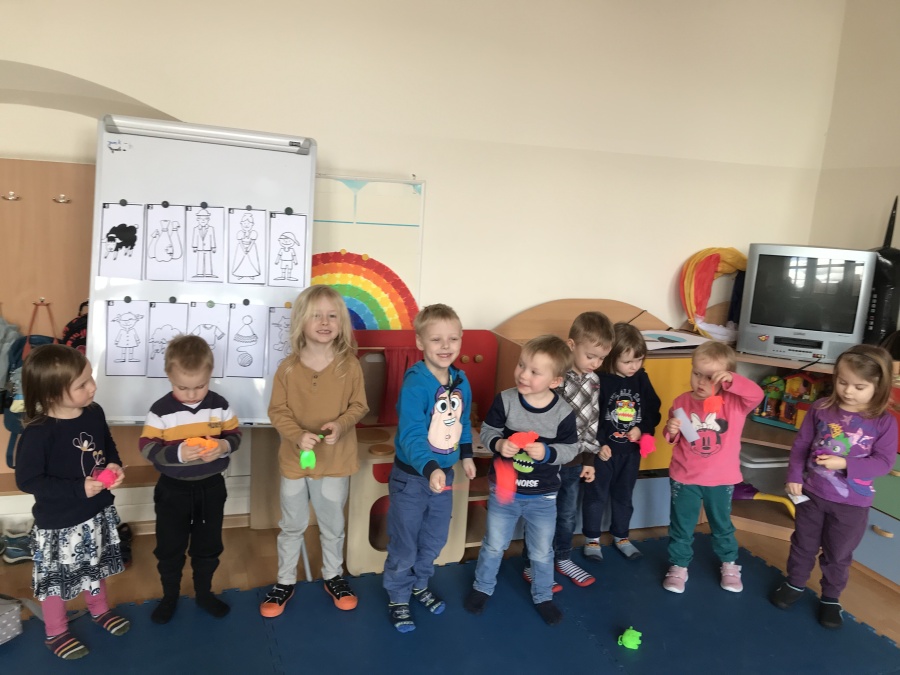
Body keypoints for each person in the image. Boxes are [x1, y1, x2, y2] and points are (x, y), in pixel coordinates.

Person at [770, 345, 897, 629]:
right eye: (842, 382)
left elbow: (883, 463)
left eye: (859, 387)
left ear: (879, 386)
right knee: (803, 544)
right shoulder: (821, 408)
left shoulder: (884, 422)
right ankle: (795, 583)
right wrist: (794, 476)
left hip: (852, 505)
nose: (848, 391)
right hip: (812, 495)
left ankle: (831, 597)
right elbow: (801, 445)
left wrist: (844, 464)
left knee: (838, 554)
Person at [261, 286, 369, 617]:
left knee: (332, 526)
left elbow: (359, 406)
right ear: (301, 322)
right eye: (316, 315)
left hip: (335, 463)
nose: (325, 322)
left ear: (341, 322)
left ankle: (333, 576)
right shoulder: (287, 368)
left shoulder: (350, 366)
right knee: (292, 525)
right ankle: (284, 581)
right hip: (295, 464)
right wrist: (297, 435)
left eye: (332, 315)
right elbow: (277, 411)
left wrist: (341, 425)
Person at [15, 345, 129, 660]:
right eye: (82, 384)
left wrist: (114, 465)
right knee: (57, 581)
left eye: (90, 377)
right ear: (52, 394)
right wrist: (79, 488)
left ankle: (99, 609)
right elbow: (28, 481)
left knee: (96, 565)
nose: (93, 386)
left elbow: (107, 444)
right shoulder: (38, 433)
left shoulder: (94, 412)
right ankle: (56, 632)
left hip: (96, 513)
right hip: (60, 524)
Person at [465, 335, 579, 626]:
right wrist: (499, 444)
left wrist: (548, 452)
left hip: (543, 497)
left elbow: (571, 449)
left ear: (555, 381)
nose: (523, 375)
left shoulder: (563, 412)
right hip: (505, 492)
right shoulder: (506, 400)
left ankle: (543, 595)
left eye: (534, 371)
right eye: (521, 365)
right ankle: (482, 587)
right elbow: (487, 431)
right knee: (494, 545)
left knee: (541, 551)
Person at [383, 303, 476, 633]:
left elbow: (463, 421)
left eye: (453, 339)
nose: (446, 346)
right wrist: (431, 468)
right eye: (436, 339)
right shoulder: (416, 385)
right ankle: (398, 596)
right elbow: (411, 435)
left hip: (443, 476)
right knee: (405, 542)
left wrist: (466, 456)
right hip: (412, 479)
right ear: (420, 342)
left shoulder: (461, 380)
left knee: (435, 538)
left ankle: (419, 584)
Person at [139, 335, 242, 624]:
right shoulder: (161, 410)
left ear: (209, 375)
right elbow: (147, 447)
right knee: (169, 547)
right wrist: (178, 453)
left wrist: (223, 446)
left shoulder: (219, 405)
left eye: (200, 386)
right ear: (169, 377)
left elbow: (234, 435)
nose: (192, 394)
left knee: (208, 546)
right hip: (173, 491)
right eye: (182, 388)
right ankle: (170, 596)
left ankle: (204, 593)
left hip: (211, 487)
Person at [662, 341, 763, 594]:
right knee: (681, 525)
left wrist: (732, 381)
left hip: (720, 479)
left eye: (710, 377)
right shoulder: (681, 401)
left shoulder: (735, 403)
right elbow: (678, 437)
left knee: (721, 525)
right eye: (697, 373)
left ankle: (729, 564)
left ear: (724, 378)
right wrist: (671, 430)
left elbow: (756, 395)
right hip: (684, 476)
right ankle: (678, 565)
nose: (701, 381)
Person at [522, 311, 613, 590]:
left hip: (574, 463)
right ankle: (533, 563)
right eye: (591, 356)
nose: (595, 363)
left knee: (566, 514)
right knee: (540, 515)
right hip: (548, 460)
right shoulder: (555, 378)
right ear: (571, 345)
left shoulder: (594, 380)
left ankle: (562, 557)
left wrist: (589, 460)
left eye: (601, 358)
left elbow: (591, 422)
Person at [583, 323, 661, 562]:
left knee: (624, 495)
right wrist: (599, 443)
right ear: (612, 357)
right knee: (596, 495)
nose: (634, 366)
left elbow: (653, 410)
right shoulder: (599, 380)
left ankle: (621, 535)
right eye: (627, 361)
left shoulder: (641, 379)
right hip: (603, 452)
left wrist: (642, 429)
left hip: (630, 452)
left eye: (639, 359)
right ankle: (592, 538)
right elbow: (590, 416)